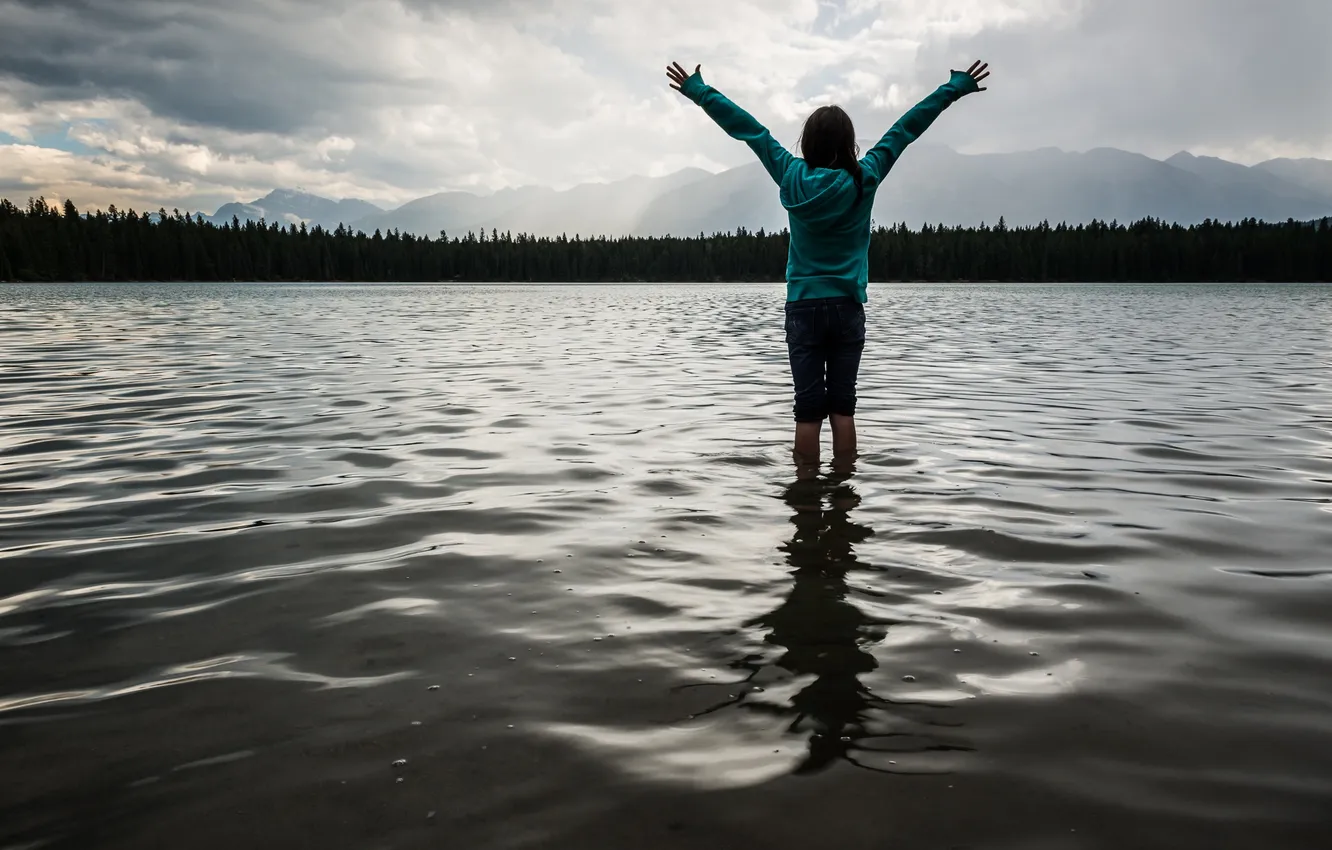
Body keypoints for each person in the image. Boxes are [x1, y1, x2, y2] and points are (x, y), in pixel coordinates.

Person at [666, 59, 990, 466]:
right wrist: (953, 89)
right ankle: (843, 495)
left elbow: (748, 129)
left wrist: (699, 91)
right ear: (850, 144)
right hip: (846, 308)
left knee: (807, 411)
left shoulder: (790, 174)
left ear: (807, 144)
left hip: (803, 308)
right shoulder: (864, 177)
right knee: (842, 408)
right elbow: (905, 129)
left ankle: (805, 499)